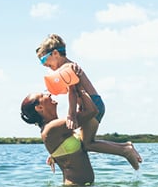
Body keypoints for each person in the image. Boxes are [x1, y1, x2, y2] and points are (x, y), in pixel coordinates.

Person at [36, 34, 142, 166]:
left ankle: (126, 150)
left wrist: (71, 114)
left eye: (44, 59)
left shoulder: (67, 69)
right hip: (92, 103)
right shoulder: (69, 66)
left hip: (92, 106)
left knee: (88, 144)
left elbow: (73, 92)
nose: (45, 64)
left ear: (55, 53)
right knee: (83, 141)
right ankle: (126, 147)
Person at [20, 86, 142, 185]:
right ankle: (125, 149)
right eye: (43, 95)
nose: (49, 94)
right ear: (39, 107)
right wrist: (74, 88)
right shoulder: (52, 128)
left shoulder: (53, 128)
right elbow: (92, 111)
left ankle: (125, 148)